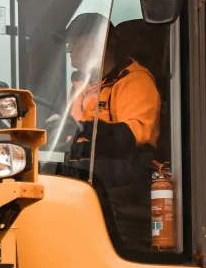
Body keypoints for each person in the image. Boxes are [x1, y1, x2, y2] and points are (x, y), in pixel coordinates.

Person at [59, 12, 161, 162]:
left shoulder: (135, 81)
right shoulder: (80, 86)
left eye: (75, 42)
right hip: (78, 172)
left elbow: (132, 136)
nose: (68, 49)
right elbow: (70, 134)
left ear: (98, 43)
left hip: (121, 179)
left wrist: (86, 132)